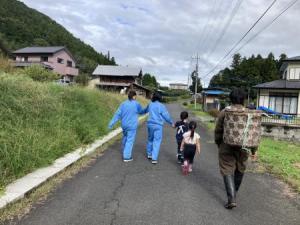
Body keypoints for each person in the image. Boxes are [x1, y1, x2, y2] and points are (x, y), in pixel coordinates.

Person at [215, 88, 258, 209]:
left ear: (231, 99)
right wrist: (254, 150)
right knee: (240, 168)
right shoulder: (249, 113)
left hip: (226, 145)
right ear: (243, 99)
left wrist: (219, 143)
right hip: (244, 146)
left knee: (227, 169)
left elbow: (218, 130)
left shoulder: (225, 112)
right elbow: (253, 133)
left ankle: (231, 198)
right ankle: (235, 192)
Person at [108, 90, 146, 162]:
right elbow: (141, 112)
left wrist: (111, 124)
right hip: (132, 126)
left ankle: (124, 151)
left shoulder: (123, 104)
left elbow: (117, 114)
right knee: (130, 140)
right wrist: (147, 109)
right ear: (134, 96)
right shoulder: (136, 104)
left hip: (124, 125)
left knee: (125, 137)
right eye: (136, 96)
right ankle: (127, 157)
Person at [144, 92, 174, 164]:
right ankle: (154, 158)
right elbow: (166, 116)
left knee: (150, 139)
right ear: (160, 97)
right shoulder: (161, 106)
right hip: (158, 125)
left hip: (150, 124)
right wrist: (171, 122)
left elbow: (145, 110)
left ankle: (149, 154)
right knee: (157, 141)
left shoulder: (150, 104)